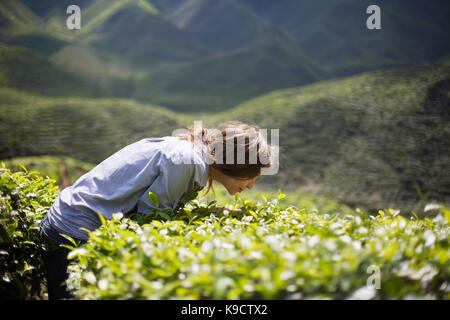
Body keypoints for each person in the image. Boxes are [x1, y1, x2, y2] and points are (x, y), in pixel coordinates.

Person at [40, 120, 274, 299]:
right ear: (237, 165)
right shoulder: (188, 162)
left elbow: (160, 210)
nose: (252, 185)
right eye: (252, 175)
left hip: (71, 222)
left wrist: (217, 214)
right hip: (71, 233)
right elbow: (149, 221)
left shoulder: (191, 155)